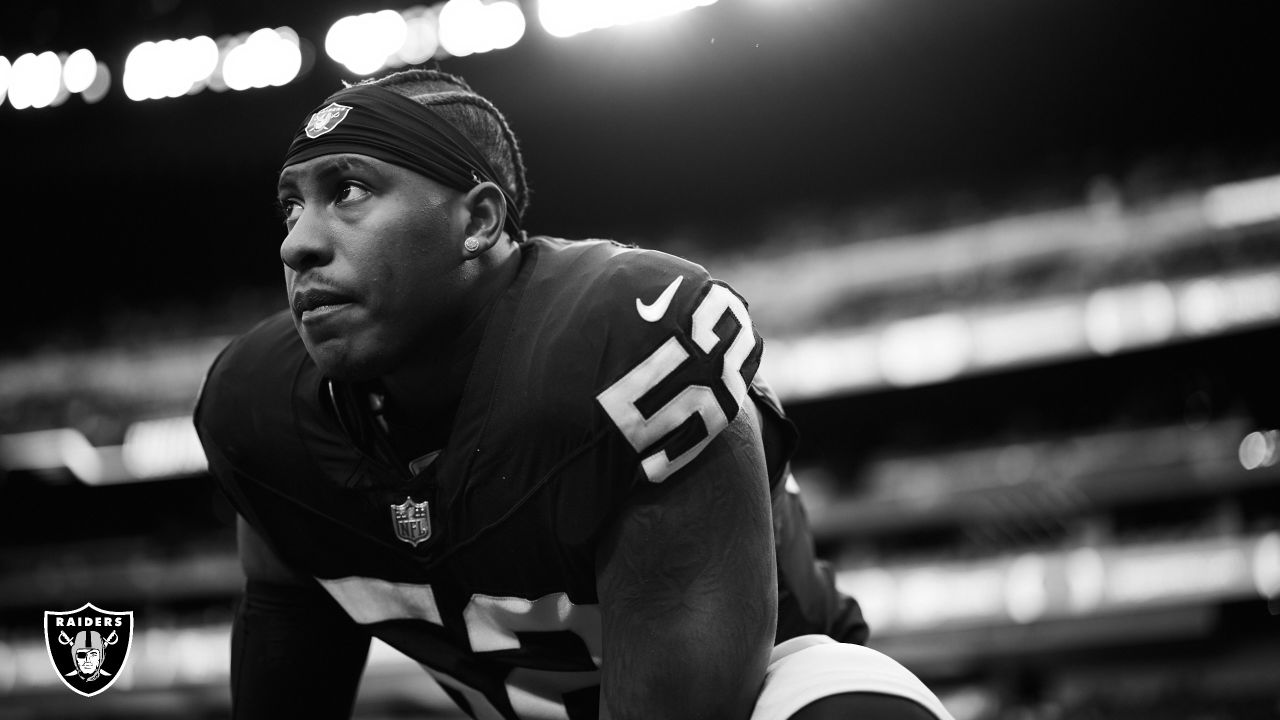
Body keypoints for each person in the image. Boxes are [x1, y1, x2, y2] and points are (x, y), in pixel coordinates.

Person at [193, 67, 954, 720]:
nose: (298, 242)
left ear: (479, 220)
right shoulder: (260, 410)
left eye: (348, 190)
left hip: (767, 689)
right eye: (292, 204)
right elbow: (288, 646)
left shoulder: (624, 345)